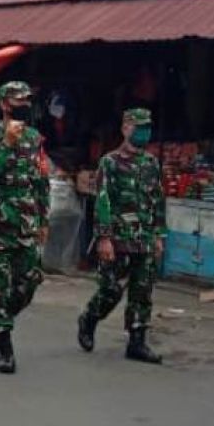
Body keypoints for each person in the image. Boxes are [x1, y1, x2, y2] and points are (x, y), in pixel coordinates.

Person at [77, 109, 165, 363]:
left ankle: (137, 342)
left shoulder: (151, 163)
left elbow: (157, 200)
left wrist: (159, 234)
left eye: (148, 127)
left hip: (145, 238)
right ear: (126, 128)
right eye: (139, 127)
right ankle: (90, 318)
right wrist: (104, 238)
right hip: (118, 238)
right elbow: (102, 200)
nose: (144, 132)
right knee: (110, 289)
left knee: (142, 292)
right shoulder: (110, 162)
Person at [0, 81, 50, 374]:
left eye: (27, 100)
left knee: (31, 279)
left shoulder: (34, 138)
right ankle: (4, 345)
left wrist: (44, 219)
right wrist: (6, 144)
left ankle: (0, 316)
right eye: (18, 100)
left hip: (27, 225)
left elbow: (41, 181)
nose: (24, 105)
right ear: (5, 104)